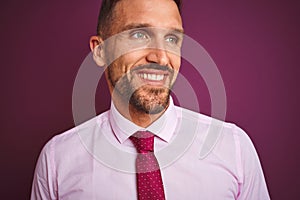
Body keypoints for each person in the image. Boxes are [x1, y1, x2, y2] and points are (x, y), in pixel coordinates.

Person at [31, 0, 270, 199]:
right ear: (100, 50)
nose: (160, 57)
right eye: (138, 34)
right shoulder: (57, 160)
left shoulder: (234, 148)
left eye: (171, 39)